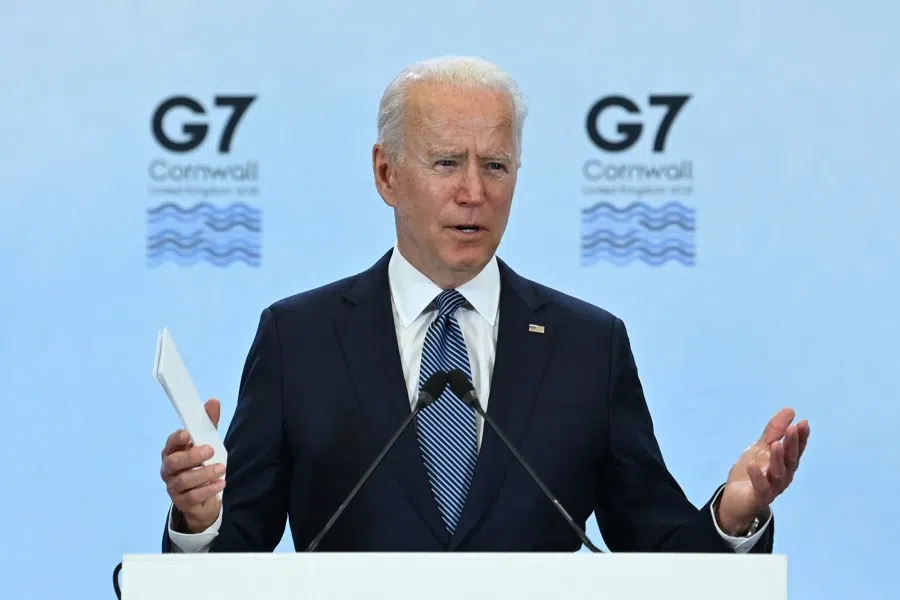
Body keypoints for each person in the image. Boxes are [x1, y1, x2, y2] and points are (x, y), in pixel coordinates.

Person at [158, 56, 810, 553]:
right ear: (387, 174)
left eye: (495, 166)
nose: (474, 191)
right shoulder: (297, 338)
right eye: (446, 163)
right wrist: (198, 518)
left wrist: (736, 513)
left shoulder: (588, 346)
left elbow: (660, 551)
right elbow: (234, 549)